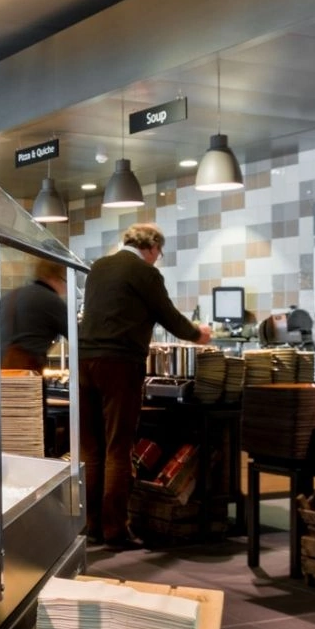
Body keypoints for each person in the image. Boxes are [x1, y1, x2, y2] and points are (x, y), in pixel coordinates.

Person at [77, 223, 211, 547]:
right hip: (119, 363)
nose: (156, 259)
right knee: (118, 448)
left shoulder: (98, 267)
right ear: (151, 247)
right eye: (158, 253)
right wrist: (198, 334)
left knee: (91, 449)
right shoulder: (145, 272)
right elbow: (169, 316)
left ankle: (91, 525)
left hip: (83, 361)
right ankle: (115, 530)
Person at [0, 259, 68, 373]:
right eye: (64, 280)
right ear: (54, 277)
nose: (65, 286)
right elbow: (76, 335)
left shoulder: (10, 296)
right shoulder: (51, 300)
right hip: (25, 372)